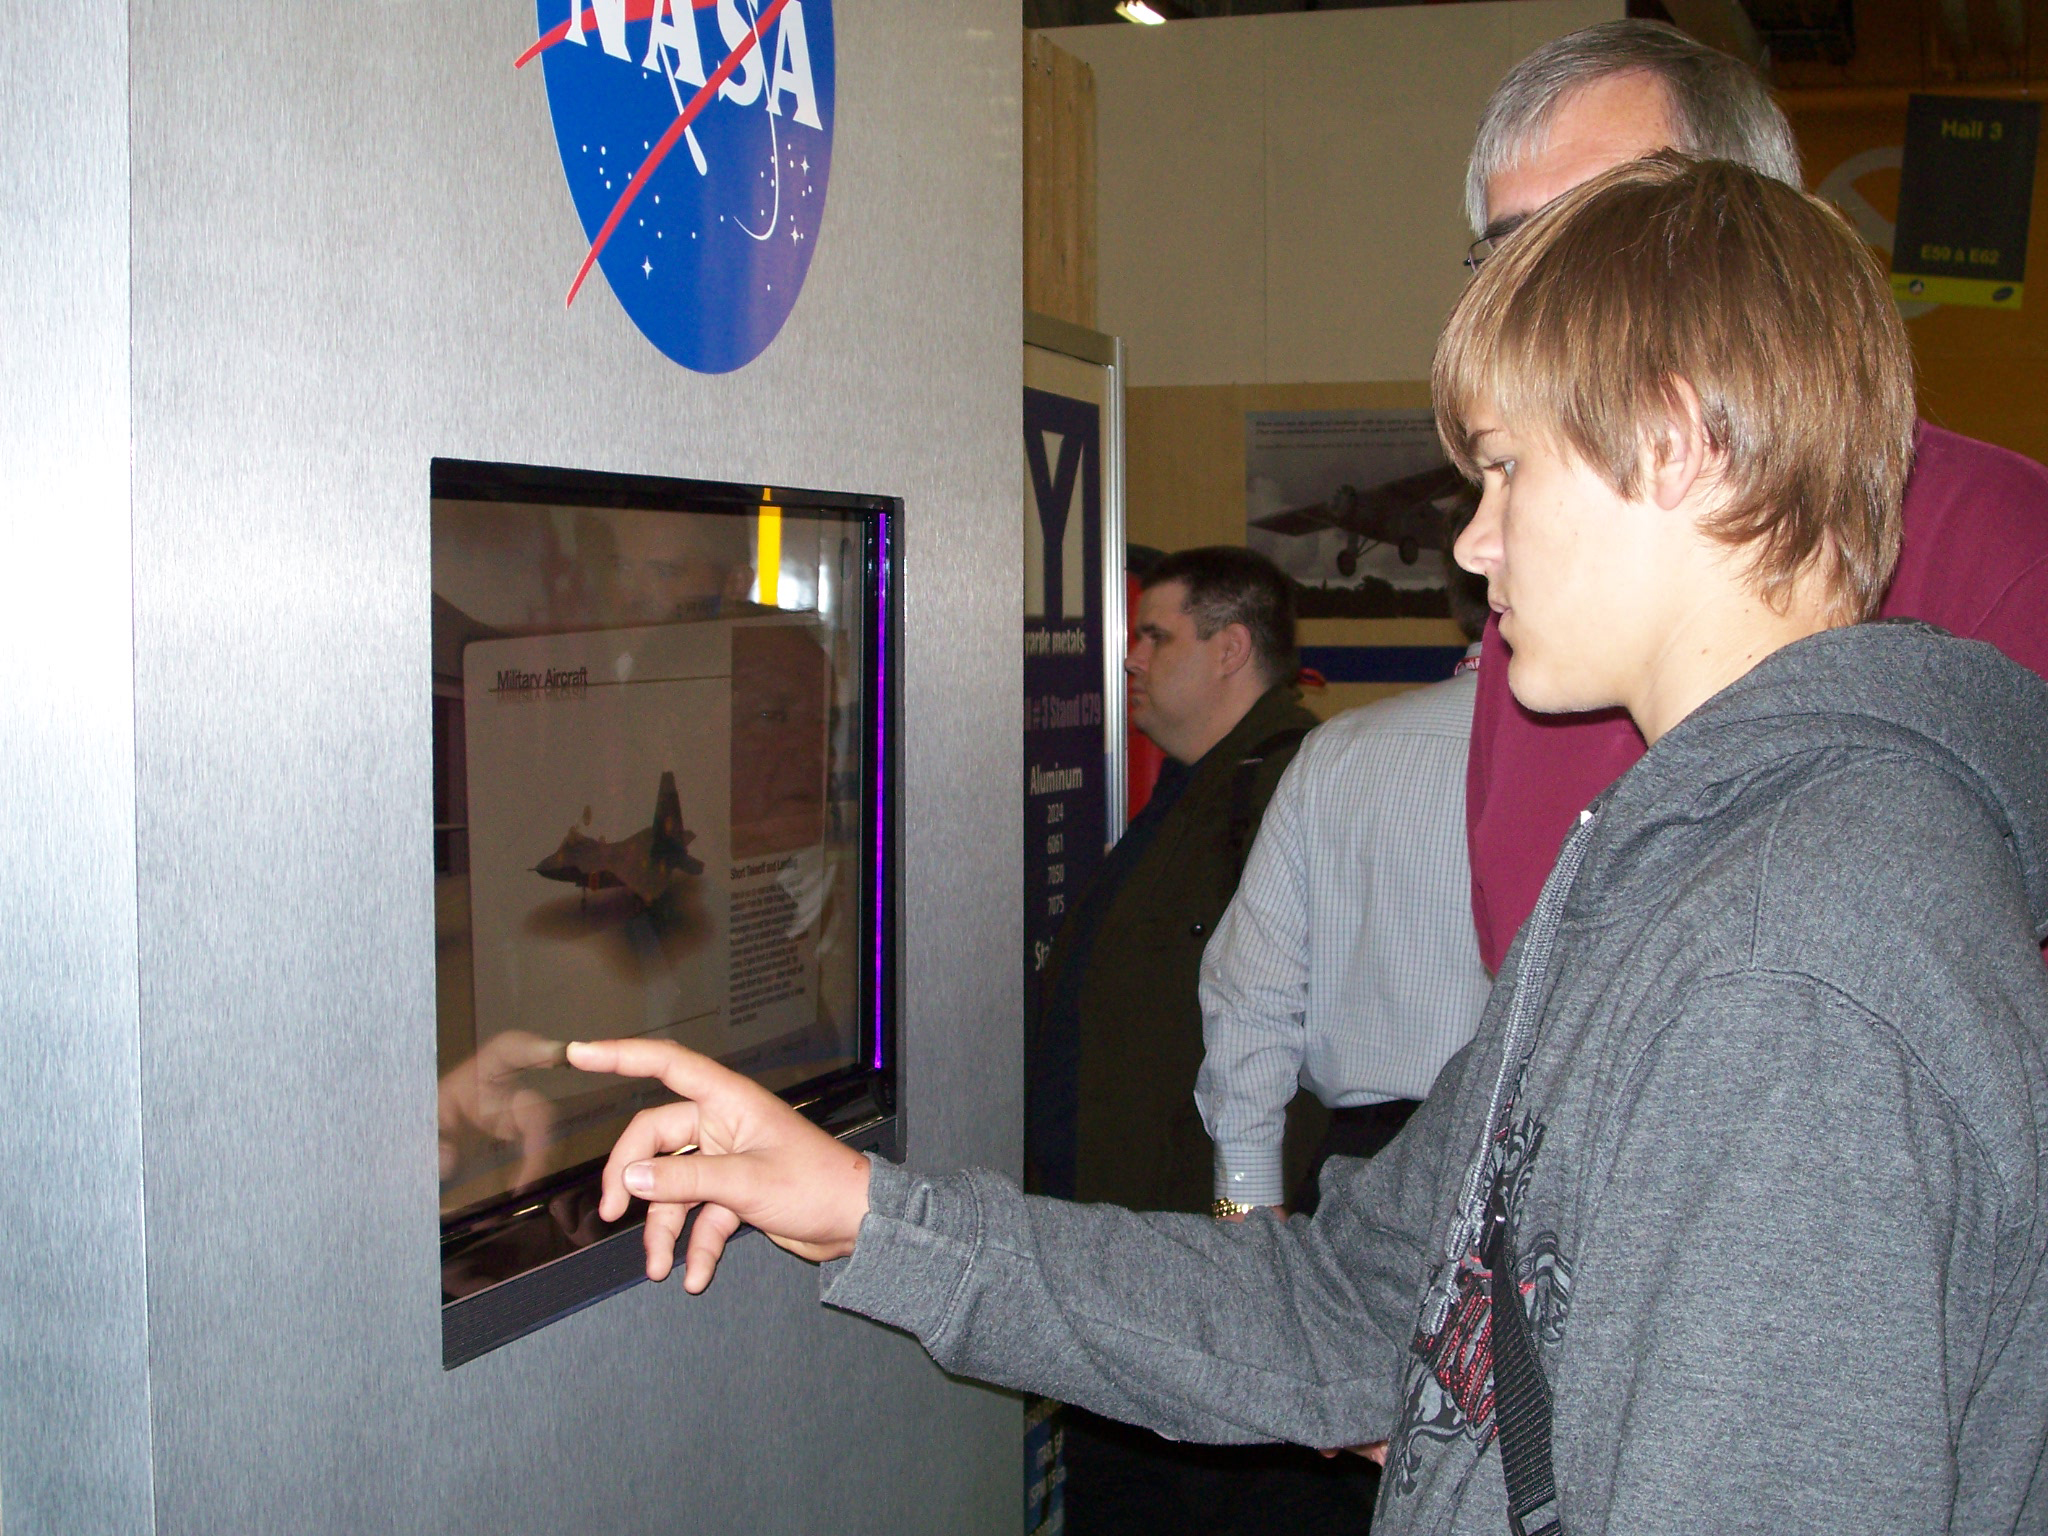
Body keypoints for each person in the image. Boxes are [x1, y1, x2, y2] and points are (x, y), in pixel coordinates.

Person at [570, 155, 2048, 1535]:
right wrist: (868, 1215)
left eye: (1508, 471)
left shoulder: (1798, 964)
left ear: (1672, 444)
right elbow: (1352, 1309)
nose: (1473, 542)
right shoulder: (1684, 874)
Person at [1458, 17, 2048, 972]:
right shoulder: (1539, 596)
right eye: (1509, 254)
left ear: (1757, 234)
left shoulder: (2008, 547)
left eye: (1602, 228)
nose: (1537, 293)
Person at [1195, 533, 1492, 1220]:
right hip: (1557, 1184)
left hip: (1362, 1176)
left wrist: (1243, 1202)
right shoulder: (1643, 760)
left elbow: (1250, 994)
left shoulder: (1340, 751)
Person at [1026, 545, 1320, 1216]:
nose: (1132, 657)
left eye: (1154, 636)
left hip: (1187, 1229)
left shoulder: (1290, 790)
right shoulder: (1198, 786)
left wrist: (1238, 1210)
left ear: (1230, 649)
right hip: (1116, 1213)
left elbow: (1285, 1026)